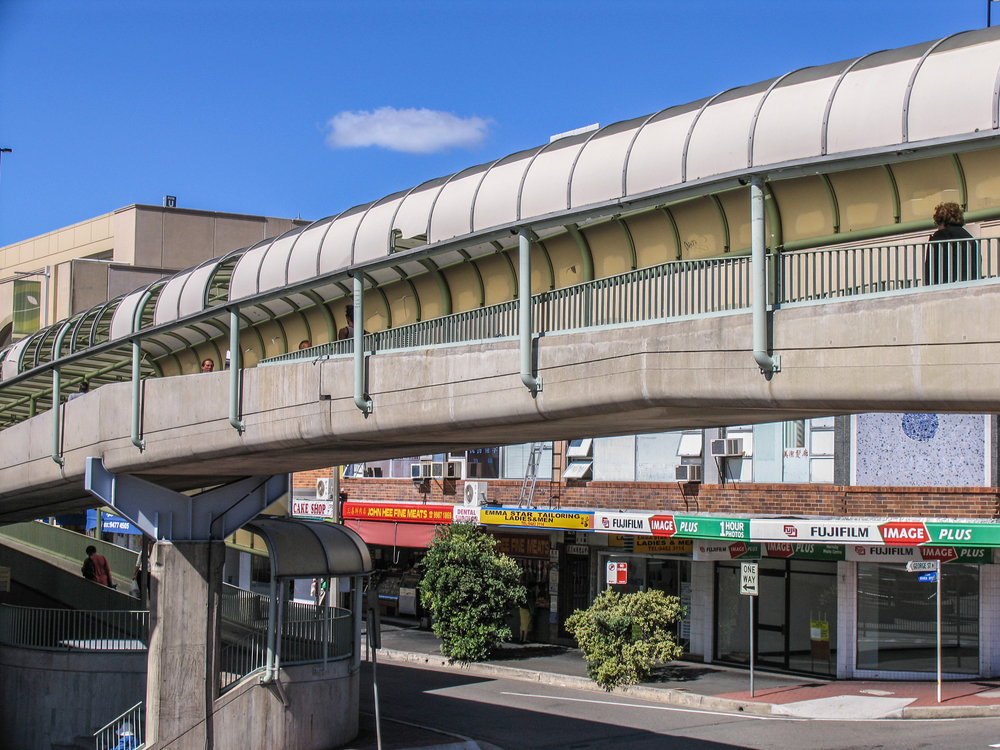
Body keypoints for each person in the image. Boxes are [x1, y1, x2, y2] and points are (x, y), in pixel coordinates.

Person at [924, 202, 978, 285]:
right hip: (969, 283)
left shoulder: (941, 236)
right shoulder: (968, 236)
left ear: (941, 221)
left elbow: (934, 267)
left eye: (937, 223)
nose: (937, 227)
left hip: (946, 285)